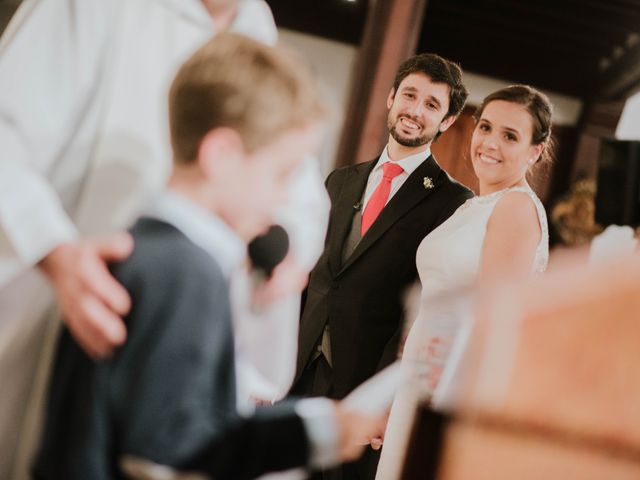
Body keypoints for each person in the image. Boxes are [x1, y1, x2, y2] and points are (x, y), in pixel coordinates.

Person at [33, 33, 383, 480]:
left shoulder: (147, 248)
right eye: (282, 174)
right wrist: (311, 433)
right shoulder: (188, 273)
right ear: (222, 155)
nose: (283, 202)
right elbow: (171, 451)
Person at [290, 53, 474, 479]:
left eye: (432, 104)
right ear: (391, 97)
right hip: (298, 369)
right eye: (409, 95)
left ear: (447, 121)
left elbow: (426, 308)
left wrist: (389, 398)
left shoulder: (452, 202)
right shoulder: (341, 180)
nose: (415, 109)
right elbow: (312, 276)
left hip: (363, 384)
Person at [376, 84, 552, 479]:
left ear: (535, 150)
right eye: (485, 127)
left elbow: (489, 329)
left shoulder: (515, 209)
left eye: (510, 136)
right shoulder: (474, 206)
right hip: (422, 380)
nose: (490, 143)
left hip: (449, 394)